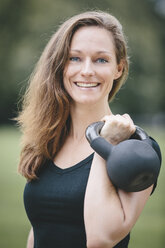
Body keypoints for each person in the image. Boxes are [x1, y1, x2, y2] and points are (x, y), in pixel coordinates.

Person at [17, 10, 158, 248]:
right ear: (60, 66)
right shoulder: (48, 139)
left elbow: (100, 239)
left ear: (118, 69)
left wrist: (106, 143)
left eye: (101, 59)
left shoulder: (138, 149)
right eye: (74, 58)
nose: (87, 71)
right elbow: (38, 231)